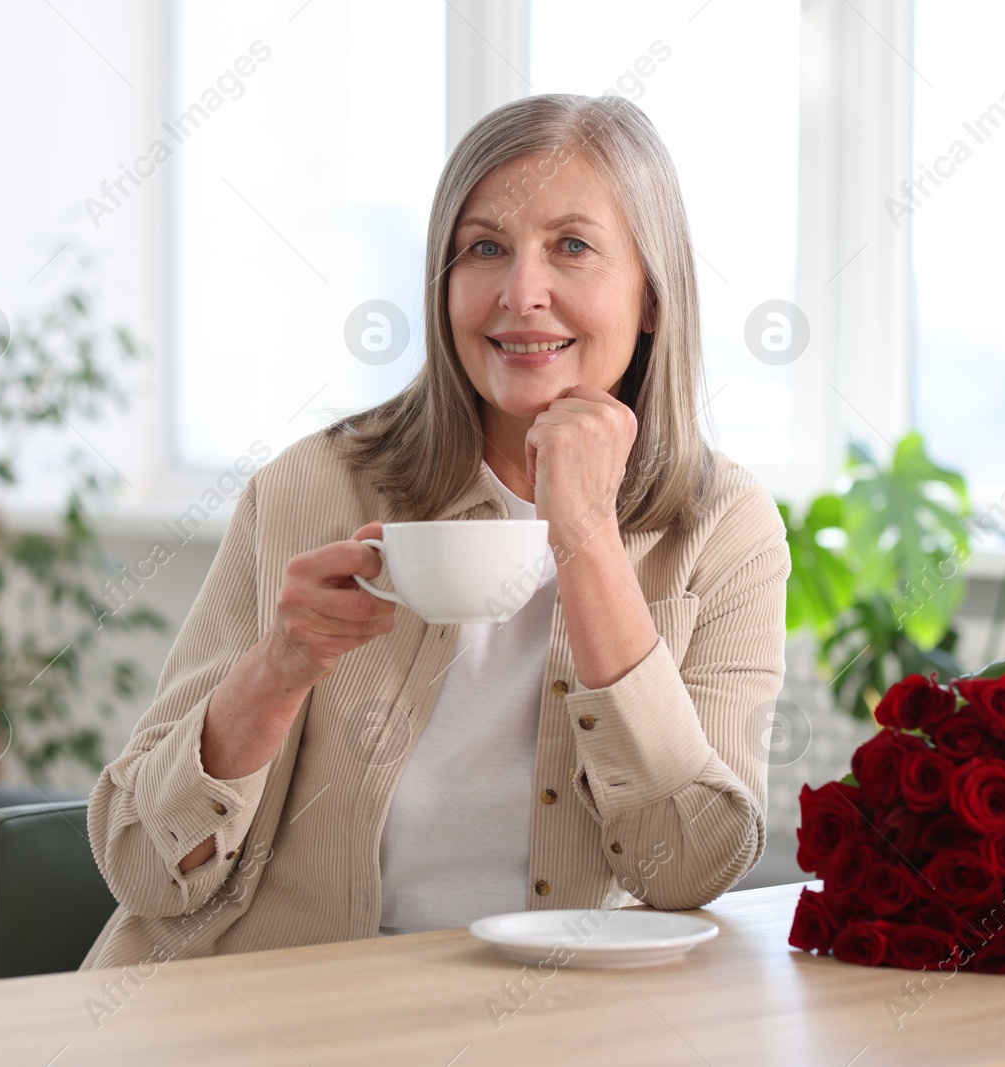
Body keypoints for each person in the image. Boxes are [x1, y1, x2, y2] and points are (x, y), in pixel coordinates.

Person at [81, 92, 789, 968]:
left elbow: (690, 866)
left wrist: (586, 533)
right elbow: (143, 865)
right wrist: (274, 671)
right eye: (484, 248)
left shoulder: (725, 527)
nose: (520, 292)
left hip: (545, 1014)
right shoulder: (310, 485)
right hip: (262, 1004)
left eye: (572, 246)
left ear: (653, 294)